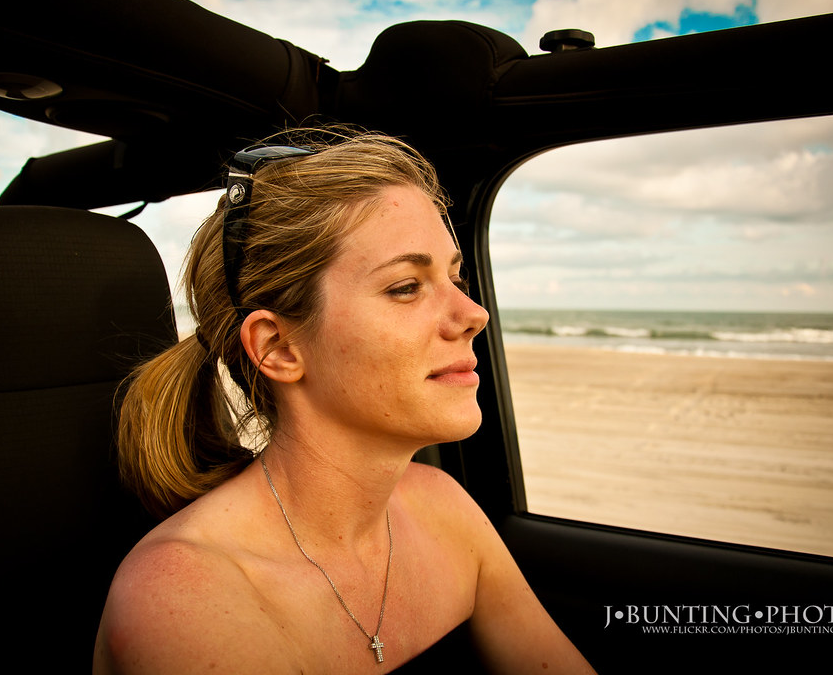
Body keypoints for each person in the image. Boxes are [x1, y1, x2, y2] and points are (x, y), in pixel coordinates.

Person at [93, 127, 595, 674]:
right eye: (406, 286)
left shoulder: (441, 506)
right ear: (279, 347)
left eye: (456, 276)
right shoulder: (184, 600)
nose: (475, 314)